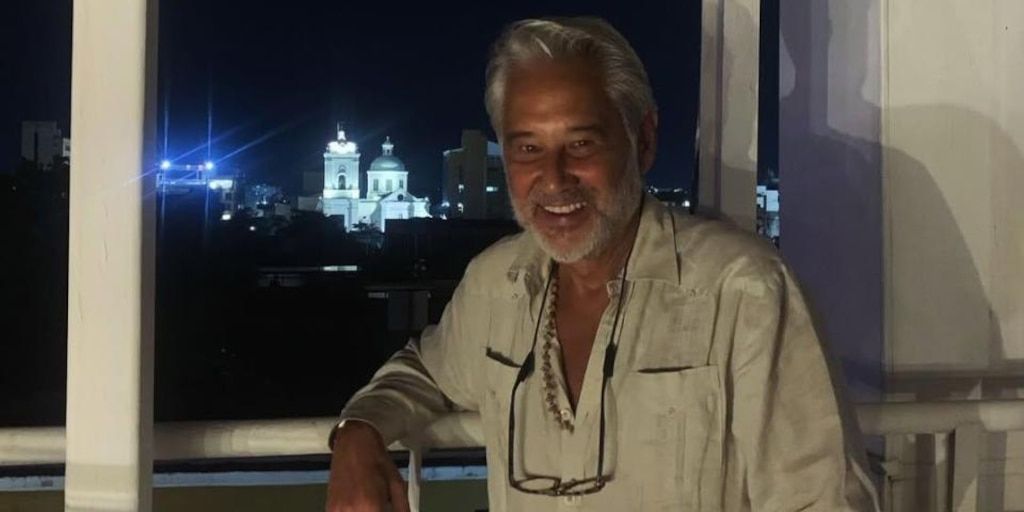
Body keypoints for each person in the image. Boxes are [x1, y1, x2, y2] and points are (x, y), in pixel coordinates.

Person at [325, 17, 879, 512]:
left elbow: (822, 497)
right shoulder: (497, 285)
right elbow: (425, 372)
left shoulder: (741, 292)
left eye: (582, 144)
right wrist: (358, 432)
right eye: (528, 149)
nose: (554, 178)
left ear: (644, 141)